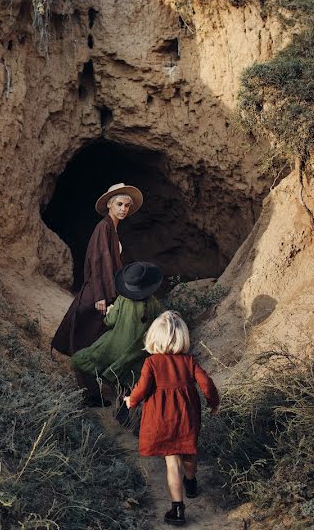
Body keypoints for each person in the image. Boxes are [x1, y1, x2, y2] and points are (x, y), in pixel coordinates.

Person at [50, 183, 143, 405]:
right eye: (119, 204)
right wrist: (102, 296)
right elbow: (98, 262)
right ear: (109, 205)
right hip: (96, 296)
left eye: (127, 205)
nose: (124, 209)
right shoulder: (104, 227)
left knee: (97, 342)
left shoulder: (111, 228)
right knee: (88, 343)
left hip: (102, 294)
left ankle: (97, 392)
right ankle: (90, 395)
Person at [124, 311, 220, 526]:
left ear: (153, 338)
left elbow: (142, 388)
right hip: (187, 416)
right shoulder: (189, 362)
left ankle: (177, 509)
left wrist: (131, 400)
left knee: (172, 463)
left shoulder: (151, 363)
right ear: (183, 338)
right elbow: (206, 383)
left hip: (162, 419)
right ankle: (192, 482)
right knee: (189, 451)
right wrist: (213, 403)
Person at [71, 261, 164, 413]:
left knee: (82, 359)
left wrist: (110, 311)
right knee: (129, 380)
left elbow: (109, 321)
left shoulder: (122, 299)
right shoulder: (155, 304)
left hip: (114, 346)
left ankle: (91, 393)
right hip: (138, 353)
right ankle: (123, 410)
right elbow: (161, 325)